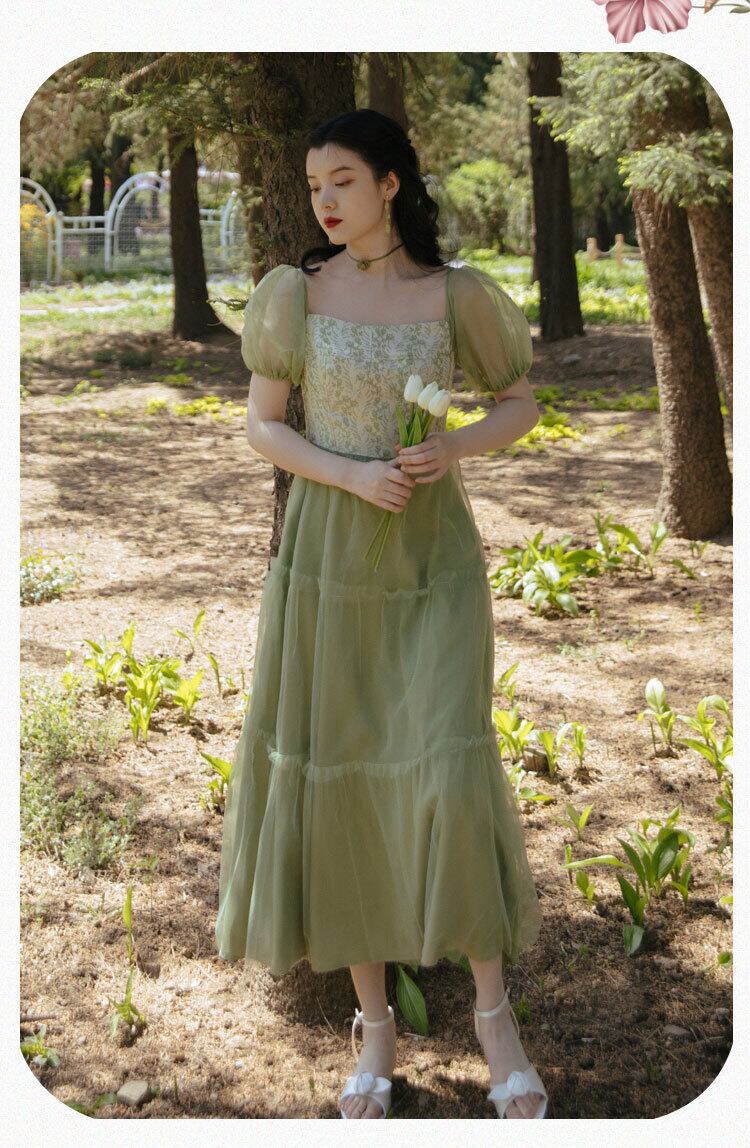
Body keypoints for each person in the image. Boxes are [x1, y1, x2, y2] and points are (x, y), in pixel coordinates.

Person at [214, 108, 548, 1121]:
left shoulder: (455, 294)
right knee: (342, 775)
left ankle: (494, 1018)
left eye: (344, 180)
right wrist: (353, 473)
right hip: (327, 559)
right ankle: (374, 1029)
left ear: (391, 183)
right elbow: (263, 426)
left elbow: (520, 404)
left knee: (450, 764)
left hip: (435, 563)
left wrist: (451, 447)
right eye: (315, 183)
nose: (325, 199)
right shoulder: (296, 294)